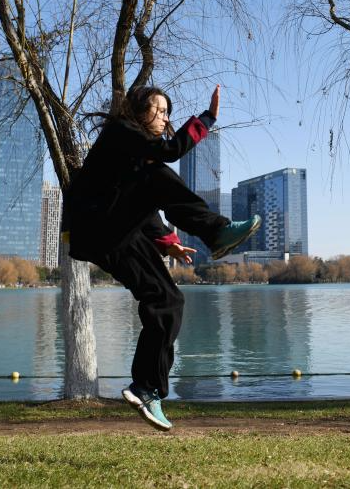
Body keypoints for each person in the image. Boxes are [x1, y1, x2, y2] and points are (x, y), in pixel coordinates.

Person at [64, 84, 260, 430]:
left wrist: (168, 242)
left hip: (115, 236)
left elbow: (141, 202)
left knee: (167, 300)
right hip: (95, 226)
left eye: (168, 113)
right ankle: (216, 232)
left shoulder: (136, 159)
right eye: (160, 110)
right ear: (139, 110)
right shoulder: (120, 131)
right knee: (156, 172)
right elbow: (168, 155)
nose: (165, 118)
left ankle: (146, 388)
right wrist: (207, 119)